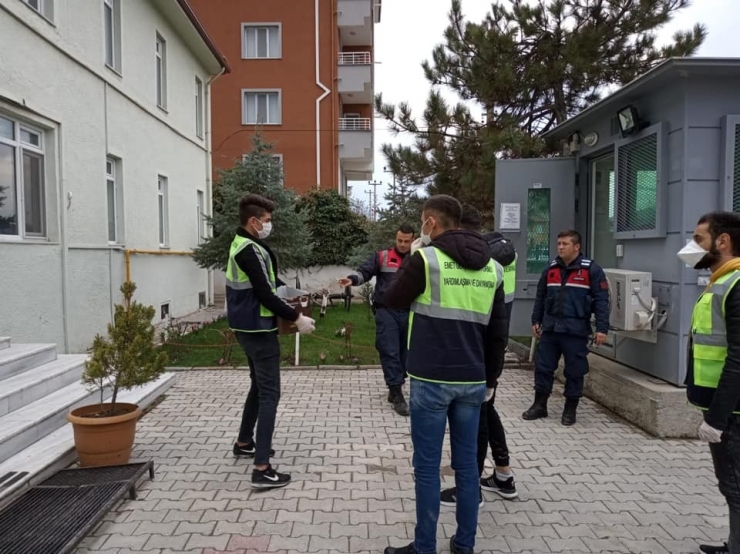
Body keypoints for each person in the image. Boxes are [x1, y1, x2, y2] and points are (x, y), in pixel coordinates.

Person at [383, 195, 508, 554]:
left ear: (431, 224)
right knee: (467, 466)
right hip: (472, 381)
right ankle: (464, 545)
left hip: (431, 379)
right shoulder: (493, 269)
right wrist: (492, 381)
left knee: (426, 468)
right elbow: (498, 333)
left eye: (423, 222)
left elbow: (392, 299)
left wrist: (414, 256)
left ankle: (425, 547)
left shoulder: (425, 258)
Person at [226, 193, 316, 489]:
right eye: (266, 220)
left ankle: (243, 443)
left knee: (258, 385)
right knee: (269, 394)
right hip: (258, 329)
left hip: (248, 327)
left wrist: (290, 290)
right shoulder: (247, 250)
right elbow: (264, 294)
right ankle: (262, 468)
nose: (269, 224)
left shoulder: (246, 244)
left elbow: (268, 283)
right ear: (253, 221)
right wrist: (297, 318)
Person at [440, 204, 518, 509]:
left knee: (478, 420)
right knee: (488, 411)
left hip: (476, 346)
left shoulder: (477, 257)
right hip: (494, 343)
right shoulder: (503, 253)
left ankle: (469, 488)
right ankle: (503, 475)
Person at [681, 212, 740, 554]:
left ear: (723, 241)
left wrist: (717, 418)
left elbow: (738, 356)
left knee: (735, 486)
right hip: (724, 406)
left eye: (699, 239)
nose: (692, 247)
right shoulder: (721, 280)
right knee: (731, 484)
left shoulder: (734, 283)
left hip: (732, 411)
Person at [525, 229, 609, 426]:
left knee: (575, 371)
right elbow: (541, 297)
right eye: (559, 244)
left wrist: (602, 329)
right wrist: (535, 320)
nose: (560, 247)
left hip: (575, 330)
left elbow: (601, 301)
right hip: (551, 328)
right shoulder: (551, 269)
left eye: (565, 244)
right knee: (543, 368)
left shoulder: (591, 271)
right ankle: (539, 406)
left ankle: (570, 410)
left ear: (577, 247)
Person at [338, 223, 415, 416]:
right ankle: (396, 392)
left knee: (406, 353)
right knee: (389, 351)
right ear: (395, 239)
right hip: (386, 311)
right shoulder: (382, 257)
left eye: (407, 241)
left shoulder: (418, 259)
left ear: (413, 240)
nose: (403, 244)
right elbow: (364, 272)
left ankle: (395, 384)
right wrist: (352, 279)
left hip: (411, 312)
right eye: (400, 241)